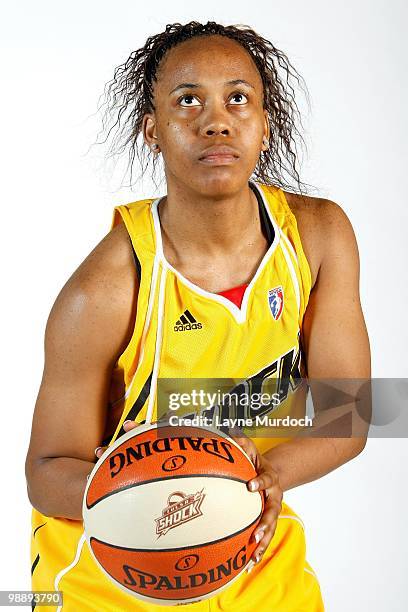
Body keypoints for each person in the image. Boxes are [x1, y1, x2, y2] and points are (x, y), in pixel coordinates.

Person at [25, 20, 371, 611]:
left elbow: (352, 408)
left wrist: (261, 478)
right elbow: (46, 468)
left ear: (264, 125)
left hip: (245, 535)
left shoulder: (318, 235)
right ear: (153, 130)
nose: (217, 120)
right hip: (113, 562)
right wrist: (150, 495)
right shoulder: (107, 288)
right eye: (188, 101)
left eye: (239, 98)